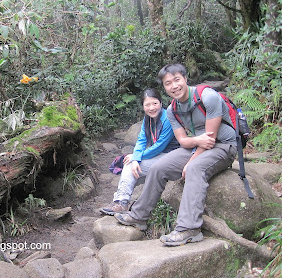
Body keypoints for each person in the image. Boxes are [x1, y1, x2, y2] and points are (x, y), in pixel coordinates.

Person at [114, 63, 237, 246]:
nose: (174, 86)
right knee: (159, 167)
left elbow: (210, 140)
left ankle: (189, 229)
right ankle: (139, 216)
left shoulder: (208, 97)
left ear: (186, 79)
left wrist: (191, 161)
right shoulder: (173, 110)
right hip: (197, 144)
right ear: (164, 87)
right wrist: (195, 143)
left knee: (195, 169)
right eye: (168, 83)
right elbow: (183, 141)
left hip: (223, 146)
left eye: (177, 80)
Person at [99, 88, 179, 218]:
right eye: (147, 105)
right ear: (143, 106)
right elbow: (141, 140)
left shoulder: (168, 118)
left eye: (155, 103)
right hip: (158, 156)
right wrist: (135, 158)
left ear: (160, 103)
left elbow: (160, 146)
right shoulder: (147, 120)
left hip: (171, 156)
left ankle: (122, 203)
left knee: (129, 165)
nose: (151, 108)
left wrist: (136, 157)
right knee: (131, 163)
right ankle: (121, 202)